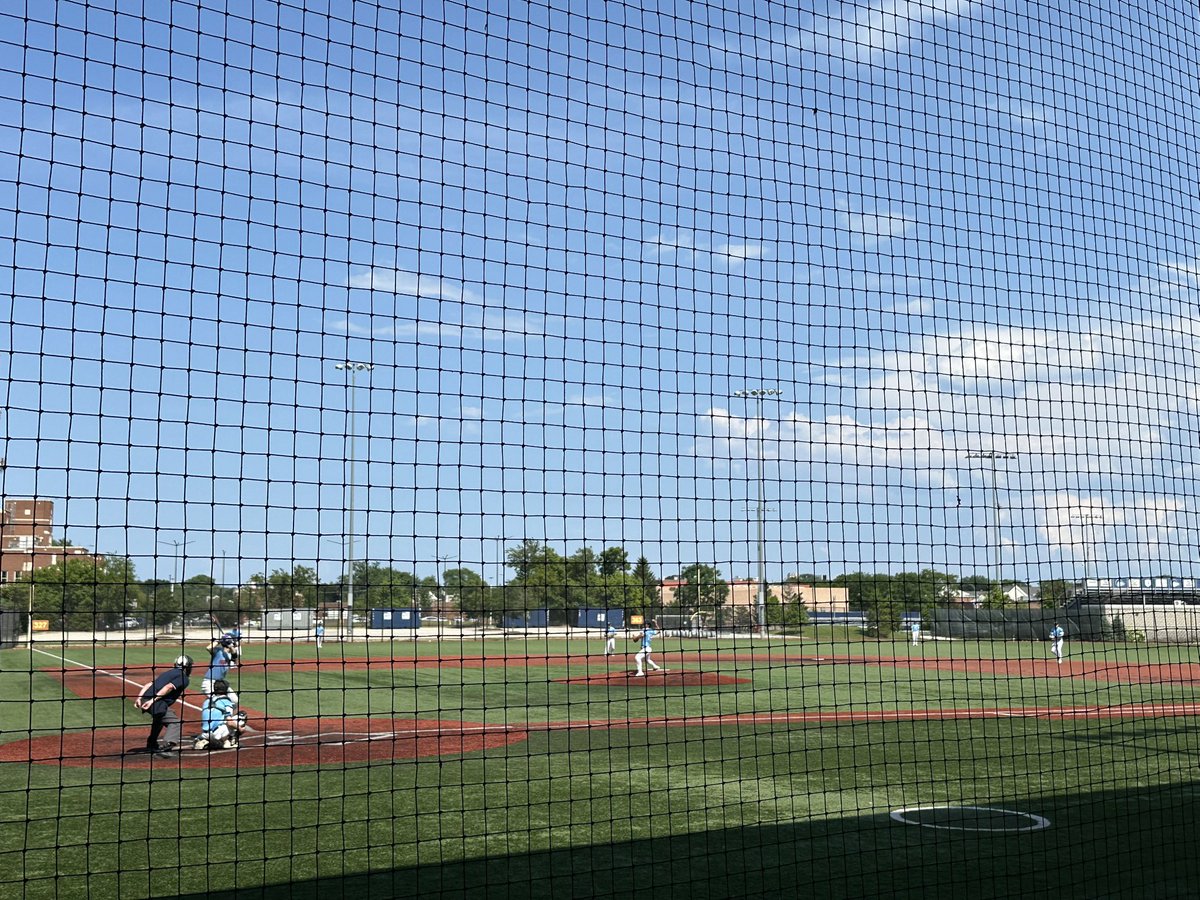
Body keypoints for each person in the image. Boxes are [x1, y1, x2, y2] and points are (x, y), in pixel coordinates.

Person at [133, 655, 193, 758]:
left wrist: (139, 698)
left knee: (159, 720)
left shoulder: (168, 673)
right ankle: (166, 747)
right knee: (175, 722)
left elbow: (148, 685)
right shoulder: (184, 678)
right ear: (187, 667)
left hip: (146, 699)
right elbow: (168, 687)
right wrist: (152, 700)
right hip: (155, 702)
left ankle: (151, 743)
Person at [192, 679, 246, 750]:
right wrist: (240, 729)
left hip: (205, 733)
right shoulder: (226, 702)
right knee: (242, 715)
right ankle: (230, 741)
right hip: (217, 733)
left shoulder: (207, 701)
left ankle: (205, 741)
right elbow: (230, 722)